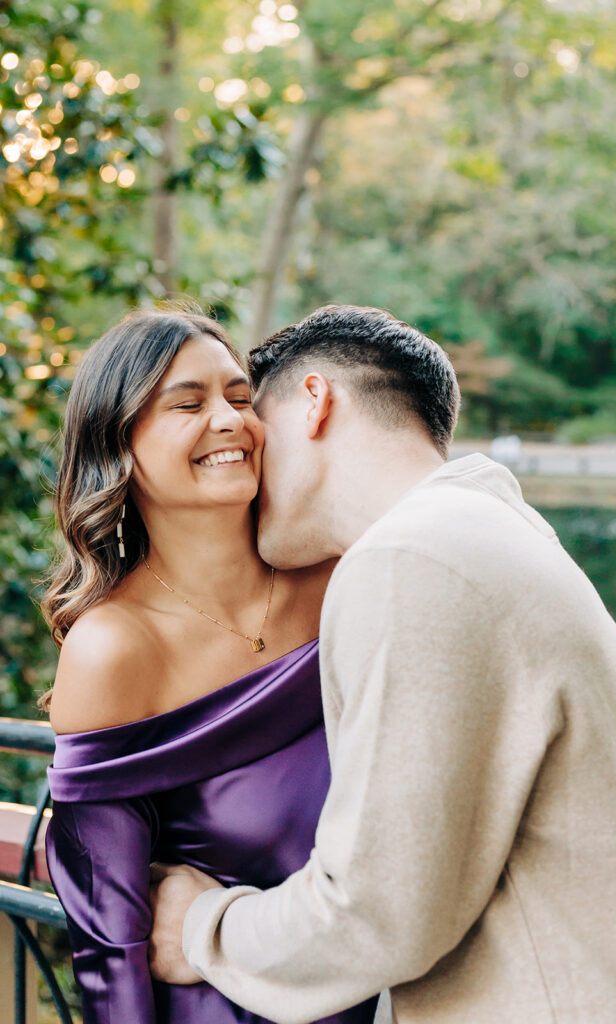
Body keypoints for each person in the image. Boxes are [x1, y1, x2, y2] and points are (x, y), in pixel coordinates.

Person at [149, 304, 616, 1024]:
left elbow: (375, 912)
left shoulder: (411, 557)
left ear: (313, 401)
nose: (244, 470)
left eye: (255, 428)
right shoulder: (484, 536)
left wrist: (200, 928)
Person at [42, 306, 379, 1024]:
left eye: (237, 396)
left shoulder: (347, 579)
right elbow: (109, 946)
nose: (229, 420)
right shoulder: (114, 647)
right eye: (188, 404)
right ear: (119, 445)